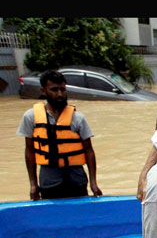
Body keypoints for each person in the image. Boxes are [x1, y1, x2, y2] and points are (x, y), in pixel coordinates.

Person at [17, 69, 102, 200]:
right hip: (49, 180)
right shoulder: (31, 117)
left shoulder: (78, 118)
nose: (60, 94)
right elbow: (29, 151)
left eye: (62, 89)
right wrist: (33, 184)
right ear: (43, 91)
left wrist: (93, 183)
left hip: (77, 179)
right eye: (54, 90)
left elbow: (89, 150)